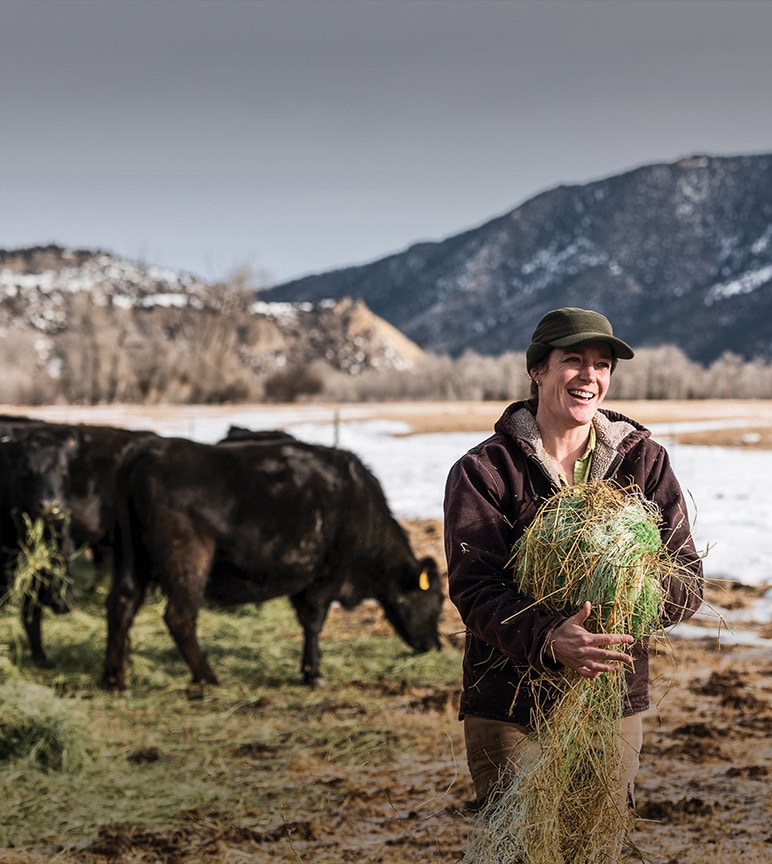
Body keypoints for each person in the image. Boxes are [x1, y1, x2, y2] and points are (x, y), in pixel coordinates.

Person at [443, 307, 704, 829]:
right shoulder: (485, 470)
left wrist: (631, 592)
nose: (590, 376)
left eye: (602, 364)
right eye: (573, 360)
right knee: (518, 844)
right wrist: (549, 639)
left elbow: (687, 577)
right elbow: (476, 588)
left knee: (598, 843)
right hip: (511, 702)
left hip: (611, 698)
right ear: (538, 370)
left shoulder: (642, 462)